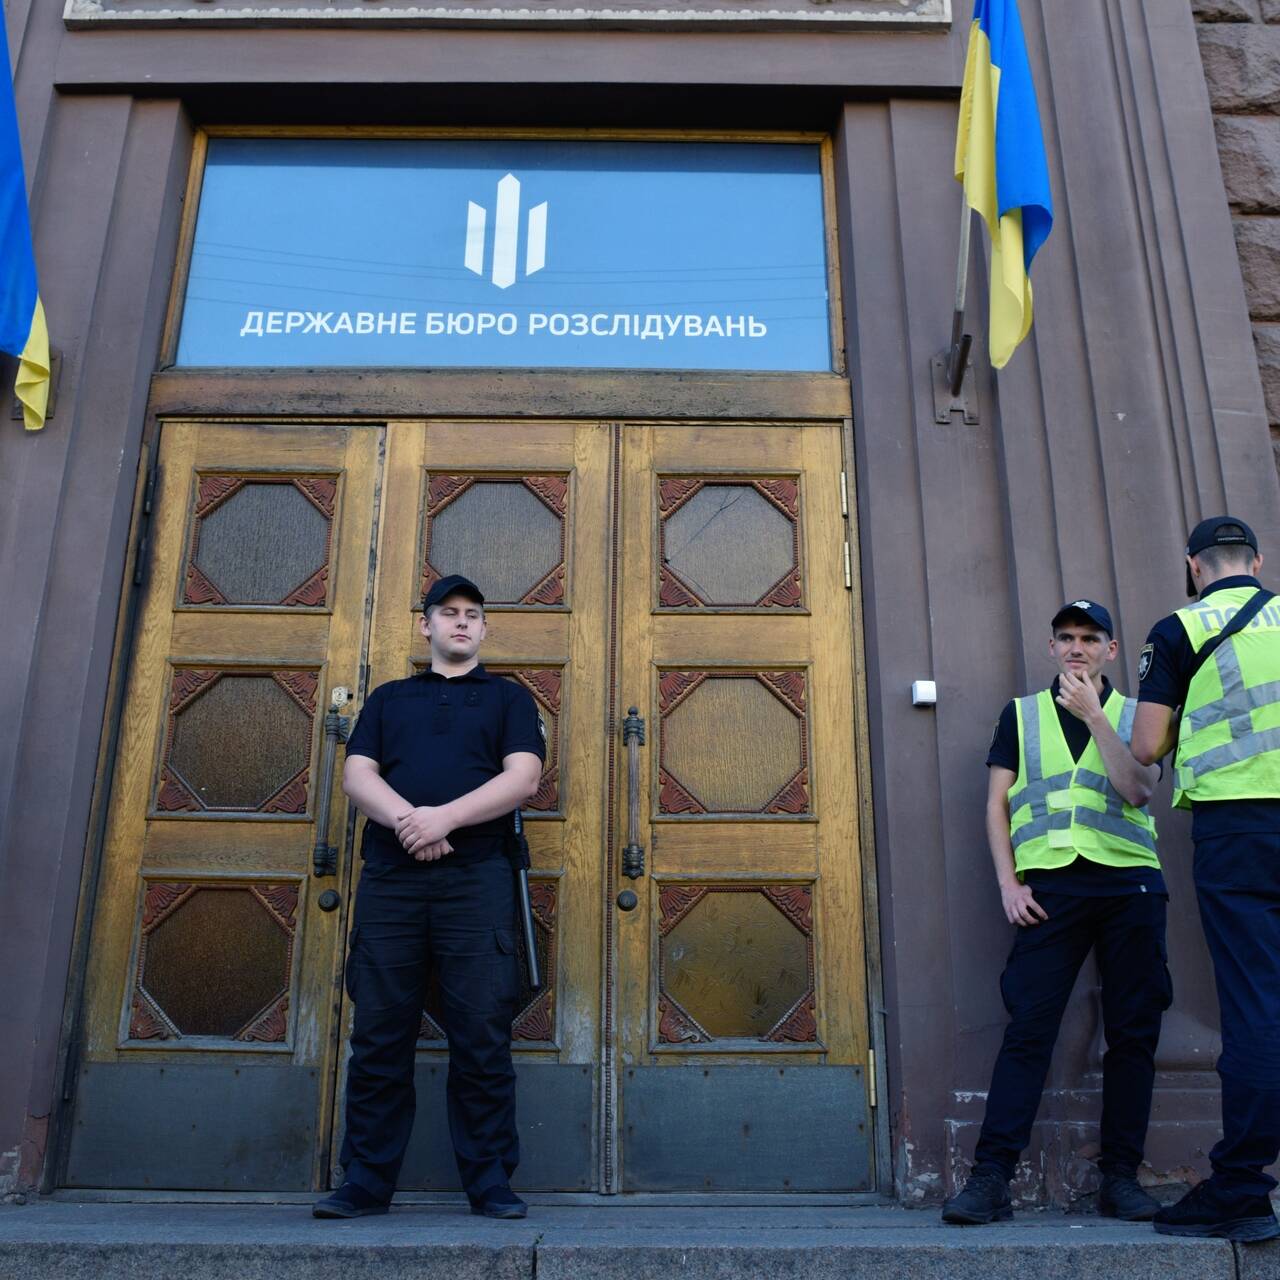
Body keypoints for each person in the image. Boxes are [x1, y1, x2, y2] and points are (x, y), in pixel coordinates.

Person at [313, 574, 545, 1220]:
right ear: (426, 626)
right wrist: (411, 825)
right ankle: (365, 1182)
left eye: (472, 614)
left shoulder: (508, 699)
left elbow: (523, 777)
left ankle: (490, 1182)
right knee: (379, 1034)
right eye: (448, 613)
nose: (461, 622)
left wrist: (444, 820)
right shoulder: (390, 699)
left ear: (484, 628)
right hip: (392, 883)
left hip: (477, 882)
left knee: (481, 1035)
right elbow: (357, 774)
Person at [942, 600, 1168, 1225]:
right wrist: (1008, 884)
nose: (1076, 648)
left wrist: (1095, 716)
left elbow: (1139, 790)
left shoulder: (1137, 715)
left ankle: (1120, 1179)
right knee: (1028, 1032)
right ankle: (991, 1180)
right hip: (1049, 892)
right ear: (1050, 647)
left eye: (1090, 638)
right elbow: (996, 805)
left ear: (1111, 650)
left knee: (1133, 1034)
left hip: (1130, 887)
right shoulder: (1020, 715)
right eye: (1066, 637)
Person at [1130, 516, 1280, 1243]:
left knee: (1257, 1004)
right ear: (1258, 561)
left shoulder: (1179, 629)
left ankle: (1242, 1189)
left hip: (1240, 830)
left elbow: (1145, 745)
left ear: (1195, 567)